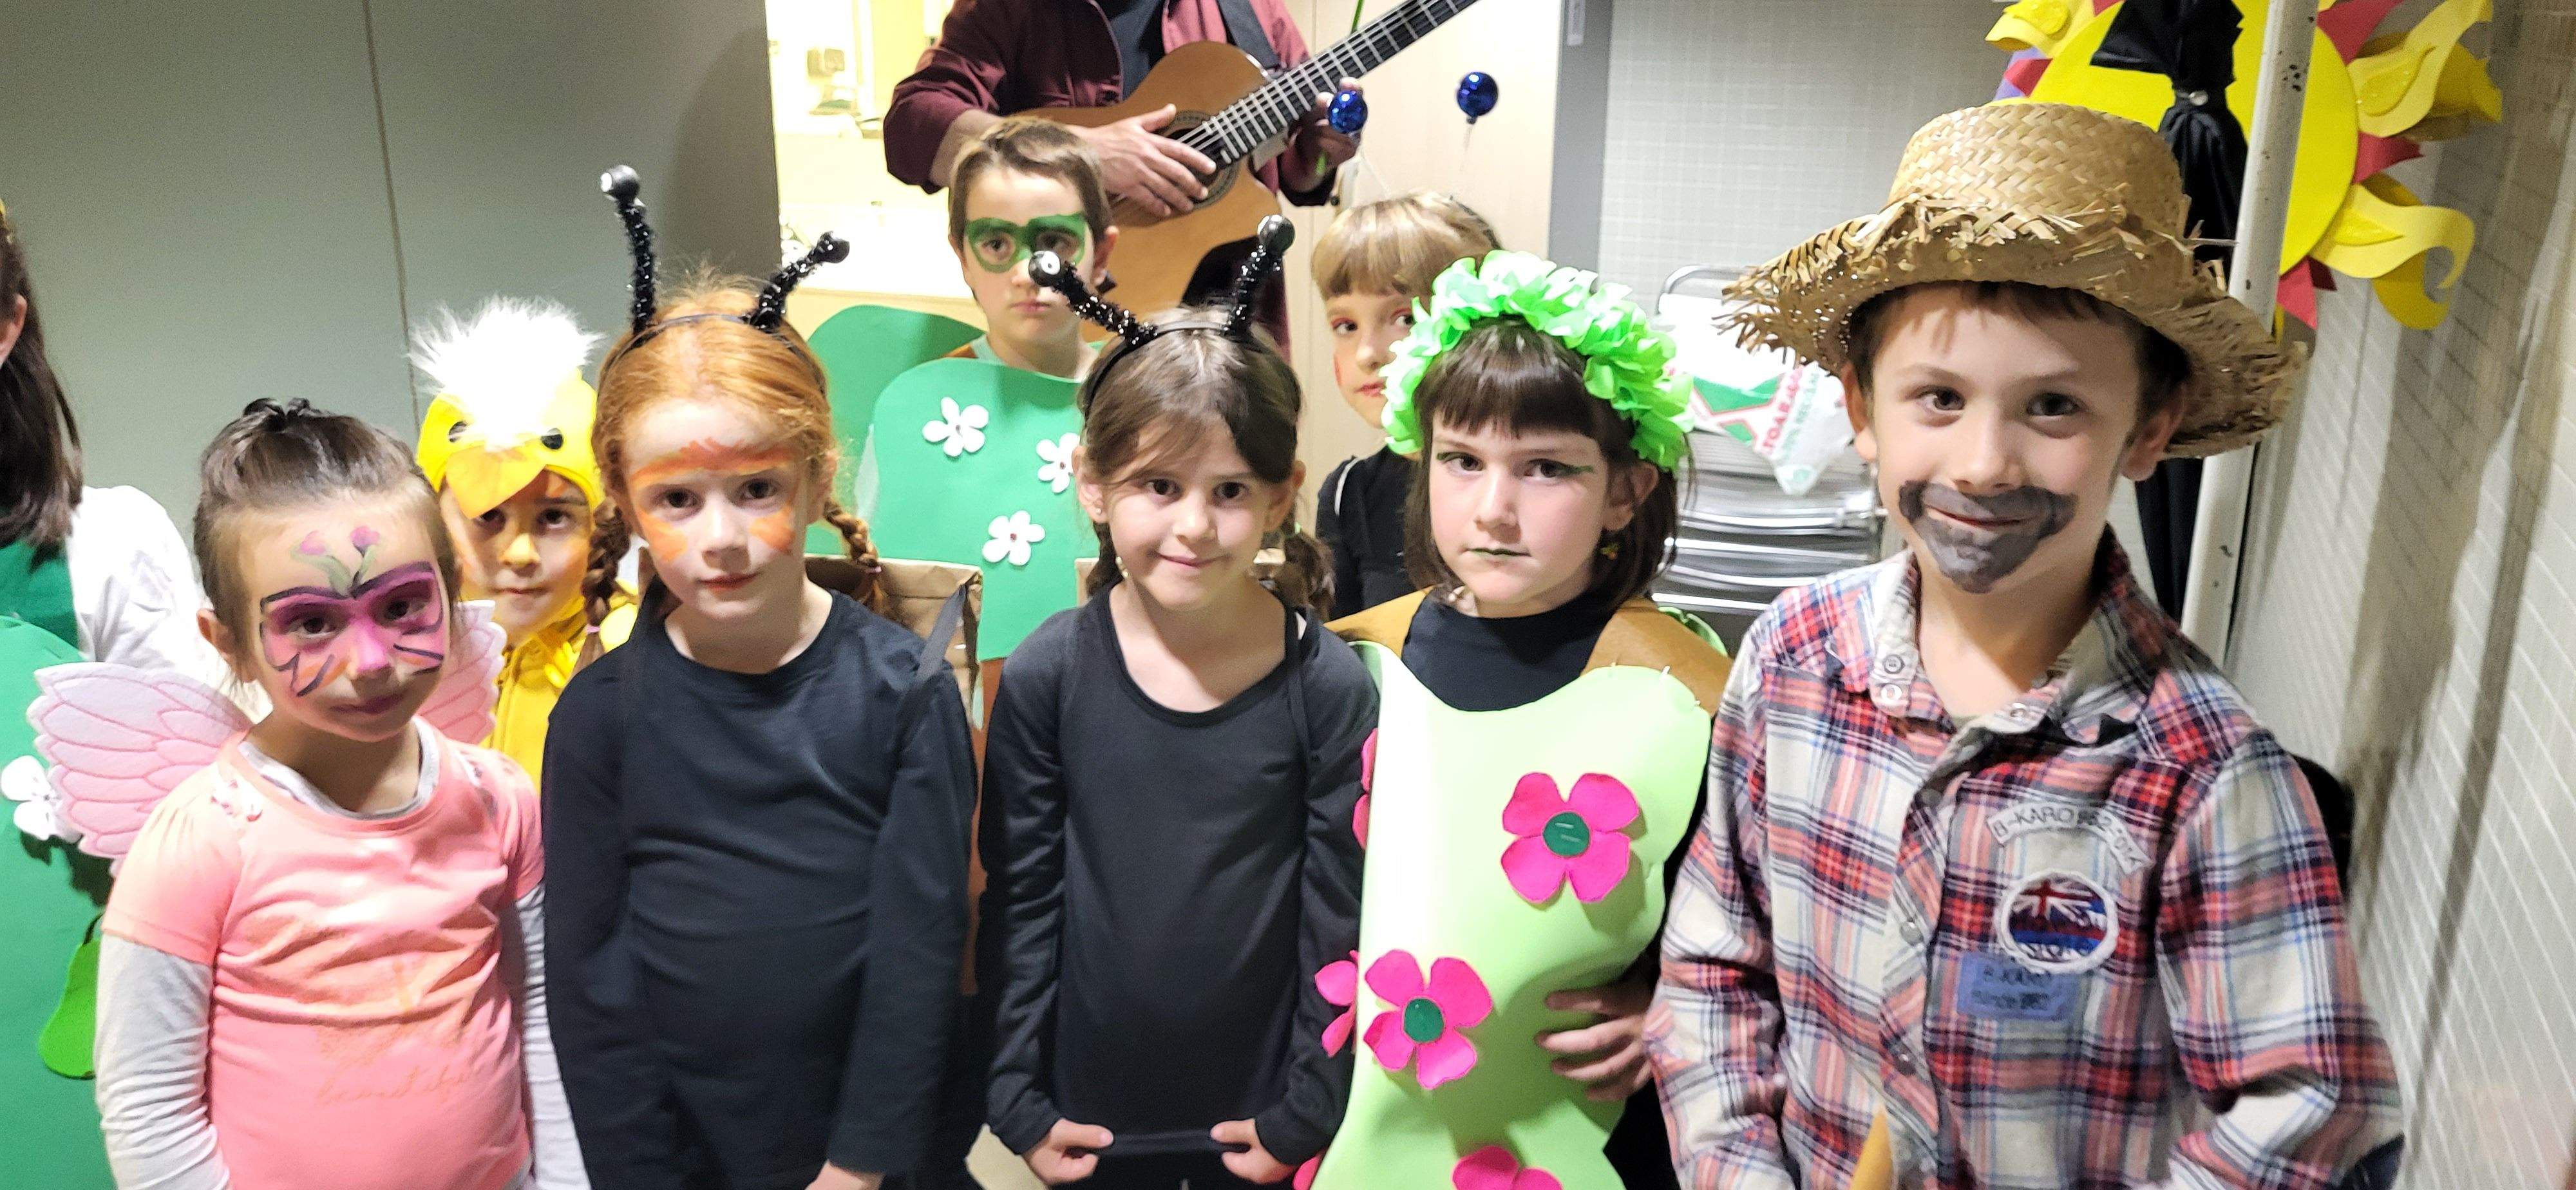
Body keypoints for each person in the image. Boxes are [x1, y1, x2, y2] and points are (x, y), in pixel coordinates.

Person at [1649, 102, 2404, 1188]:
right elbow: (1714, 974)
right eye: (1938, 399)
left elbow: (2315, 1116)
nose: (1985, 462)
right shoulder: (1792, 659)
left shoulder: (2205, 771)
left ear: (2148, 426)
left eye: (2053, 406)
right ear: (1863, 408)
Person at [544, 173, 978, 1190]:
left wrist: (859, 1168)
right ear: (625, 501)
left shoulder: (904, 695)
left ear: (817, 477)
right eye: (678, 500)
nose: (723, 539)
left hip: (872, 1162)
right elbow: (595, 987)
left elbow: (920, 958)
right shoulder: (599, 719)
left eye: (756, 489)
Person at [92, 398, 584, 1190]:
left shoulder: (498, 798)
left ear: (452, 601)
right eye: (312, 624)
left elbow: (540, 1022)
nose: (372, 660)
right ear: (233, 646)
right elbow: (149, 1108)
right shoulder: (202, 841)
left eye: (400, 607)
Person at [1314, 251, 1718, 1190]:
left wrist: (1674, 1000)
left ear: (1626, 490)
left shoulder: (1688, 695)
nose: (1492, 509)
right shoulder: (1352, 664)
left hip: (1579, 1146)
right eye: (1461, 460)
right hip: (1346, 1139)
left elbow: (1753, 930)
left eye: (1546, 469)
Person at [981, 265, 1368, 1189]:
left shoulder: (1329, 688)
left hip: (1265, 1126)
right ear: (1093, 483)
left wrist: (1306, 1111)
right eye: (1160, 484)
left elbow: (1340, 918)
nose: (1194, 526)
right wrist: (1018, 1101)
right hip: (1088, 1121)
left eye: (1231, 491)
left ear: (1283, 496)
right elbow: (1021, 901)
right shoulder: (1048, 674)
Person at [885, 0, 1360, 341]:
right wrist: (1080, 152)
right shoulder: (1011, 10)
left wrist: (1321, 154)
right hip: (1076, 334)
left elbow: (1298, 173)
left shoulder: (1252, 9)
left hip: (1238, 330)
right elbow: (912, 124)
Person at [413, 298, 637, 786]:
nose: (520, 553)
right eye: (487, 515)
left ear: (605, 520)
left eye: (554, 517)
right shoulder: (415, 657)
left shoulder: (636, 655)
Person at [1309, 192, 1501, 620]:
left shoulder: (1525, 484)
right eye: (1346, 325)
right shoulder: (1349, 493)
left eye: (1404, 318)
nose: (1367, 354)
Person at [943, 118, 1117, 381]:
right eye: (996, 244)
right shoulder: (928, 398)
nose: (1027, 276)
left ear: (1100, 257)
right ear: (964, 261)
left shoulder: (1140, 396)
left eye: (1056, 244)